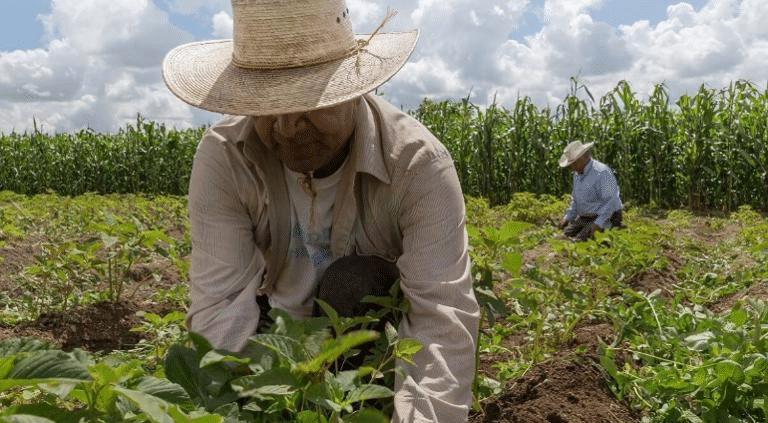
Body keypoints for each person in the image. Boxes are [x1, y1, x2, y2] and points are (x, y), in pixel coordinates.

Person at [161, 1, 480, 422]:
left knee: (355, 281)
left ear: (353, 88)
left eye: (311, 103)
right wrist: (236, 408)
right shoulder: (226, 156)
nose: (288, 128)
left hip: (365, 345)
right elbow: (219, 303)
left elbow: (441, 317)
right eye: (269, 107)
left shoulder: (416, 165)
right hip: (273, 336)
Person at [558, 141, 624, 240]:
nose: (572, 168)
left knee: (581, 239)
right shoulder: (577, 174)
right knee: (566, 234)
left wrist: (598, 223)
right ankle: (586, 228)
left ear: (584, 158)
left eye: (574, 164)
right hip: (586, 216)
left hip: (608, 215)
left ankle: (612, 227)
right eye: (571, 165)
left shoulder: (601, 172)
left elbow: (611, 201)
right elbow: (576, 201)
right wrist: (567, 218)